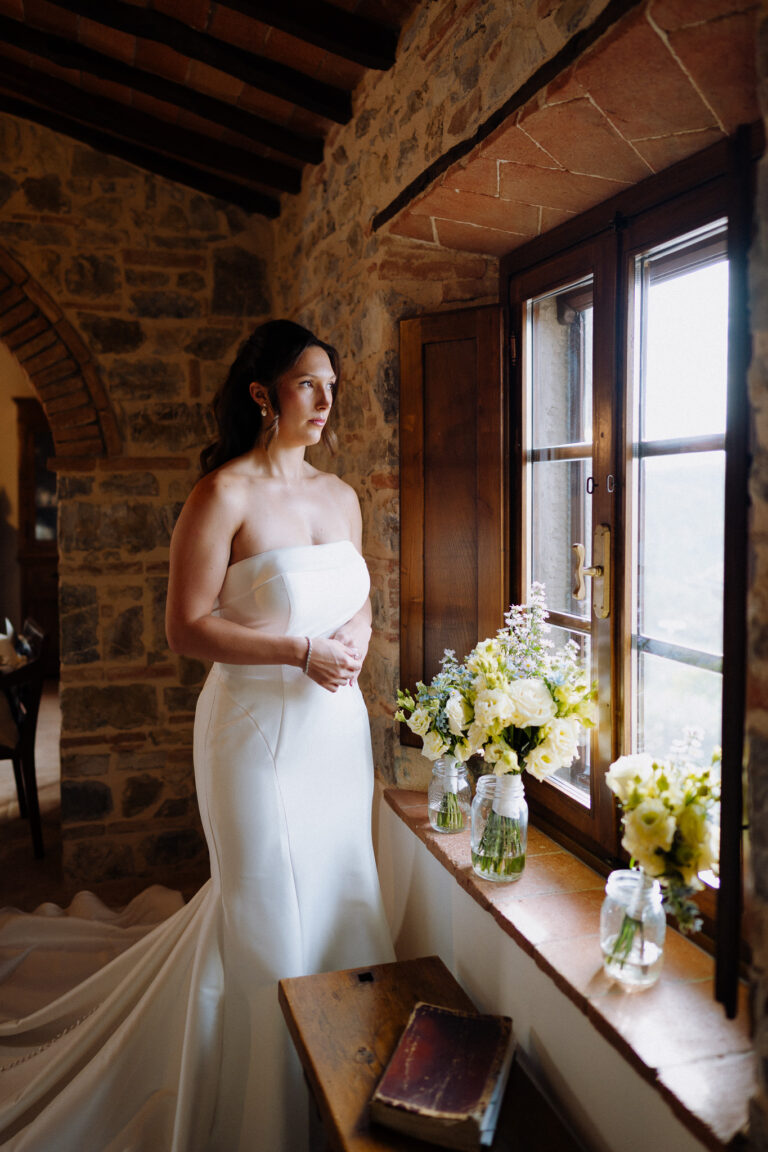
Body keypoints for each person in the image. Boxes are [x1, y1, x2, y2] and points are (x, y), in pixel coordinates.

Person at [0, 320, 394, 1151]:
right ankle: (257, 1110)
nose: (326, 401)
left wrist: (355, 633)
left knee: (337, 886)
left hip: (336, 728)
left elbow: (357, 590)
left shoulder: (341, 495)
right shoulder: (223, 495)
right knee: (261, 908)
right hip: (254, 732)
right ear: (263, 394)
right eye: (307, 385)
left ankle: (341, 1086)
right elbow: (186, 627)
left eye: (331, 385)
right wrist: (300, 649)